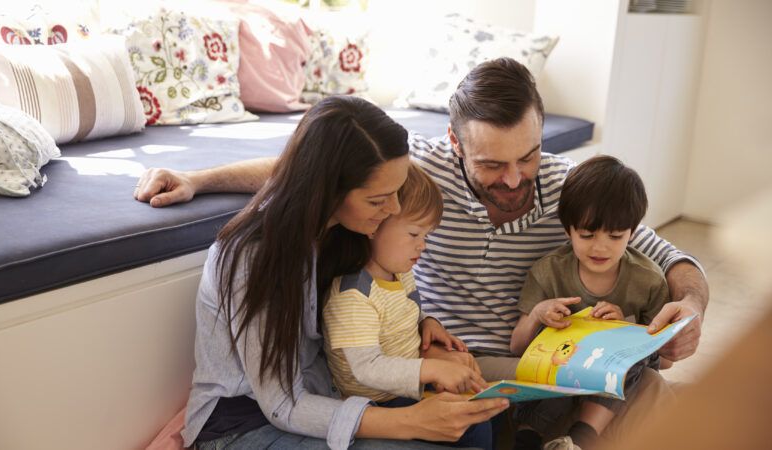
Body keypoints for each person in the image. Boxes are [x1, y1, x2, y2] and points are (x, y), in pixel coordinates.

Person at [135, 58, 709, 444]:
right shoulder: (405, 186)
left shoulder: (568, 190)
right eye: (492, 164)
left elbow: (670, 257)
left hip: (502, 362)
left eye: (528, 157)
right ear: (455, 146)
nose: (514, 179)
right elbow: (301, 168)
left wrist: (690, 306)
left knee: (649, 391)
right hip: (387, 382)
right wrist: (200, 177)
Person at [180, 96, 509, 450]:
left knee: (473, 423)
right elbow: (281, 404)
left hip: (327, 393)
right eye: (377, 199)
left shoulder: (348, 230)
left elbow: (381, 300)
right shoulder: (253, 257)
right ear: (327, 190)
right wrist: (411, 420)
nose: (394, 209)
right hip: (243, 425)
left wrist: (424, 329)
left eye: (396, 192)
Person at [322, 162, 491, 449]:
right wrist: (433, 369)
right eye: (414, 234)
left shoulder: (399, 272)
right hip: (378, 402)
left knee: (484, 411)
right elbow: (367, 368)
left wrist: (428, 322)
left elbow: (403, 309)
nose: (422, 246)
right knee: (471, 425)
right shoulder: (352, 295)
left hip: (409, 384)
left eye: (426, 236)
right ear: (374, 226)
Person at [508, 155, 672, 450]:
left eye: (615, 235)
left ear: (633, 232)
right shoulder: (549, 270)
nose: (600, 246)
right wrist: (537, 314)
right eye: (586, 234)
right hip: (561, 370)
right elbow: (517, 347)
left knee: (631, 360)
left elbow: (665, 360)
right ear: (568, 229)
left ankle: (581, 438)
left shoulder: (648, 279)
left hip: (614, 378)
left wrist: (626, 331)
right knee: (547, 364)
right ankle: (527, 437)